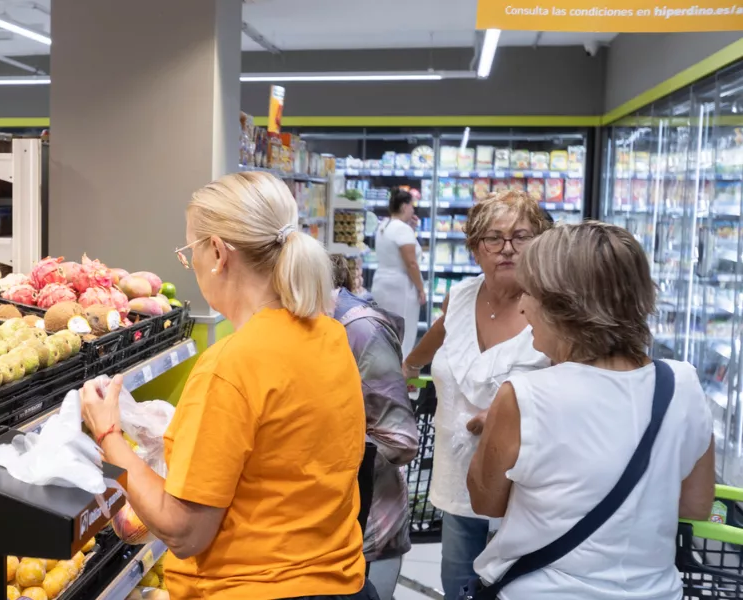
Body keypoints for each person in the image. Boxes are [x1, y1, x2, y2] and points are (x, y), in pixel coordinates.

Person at [80, 171, 376, 599]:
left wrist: (109, 435)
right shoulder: (329, 336)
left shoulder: (232, 365)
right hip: (340, 582)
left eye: (188, 252)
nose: (191, 263)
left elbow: (184, 532)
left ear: (218, 252)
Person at [467, 221, 715, 598]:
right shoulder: (683, 384)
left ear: (566, 307)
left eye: (530, 293)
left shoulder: (523, 396)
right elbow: (696, 505)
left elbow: (485, 501)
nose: (522, 306)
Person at [401, 190, 552, 600]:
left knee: (516, 588)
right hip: (458, 477)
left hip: (526, 486)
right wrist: (408, 368)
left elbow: (574, 384)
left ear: (539, 243)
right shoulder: (462, 296)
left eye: (521, 237)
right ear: (475, 247)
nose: (507, 249)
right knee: (457, 587)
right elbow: (434, 340)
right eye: (493, 238)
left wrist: (508, 413)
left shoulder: (553, 308)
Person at [331, 254, 419, 600]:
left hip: (368, 530)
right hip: (331, 530)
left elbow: (400, 440)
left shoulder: (359, 330)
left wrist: (317, 452)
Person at [371, 188, 425, 359]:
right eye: (411, 206)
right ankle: (401, 369)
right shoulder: (402, 229)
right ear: (403, 206)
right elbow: (411, 263)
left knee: (384, 329)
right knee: (403, 330)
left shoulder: (384, 225)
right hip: (400, 287)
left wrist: (411, 228)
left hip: (381, 282)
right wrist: (420, 288)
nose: (413, 210)